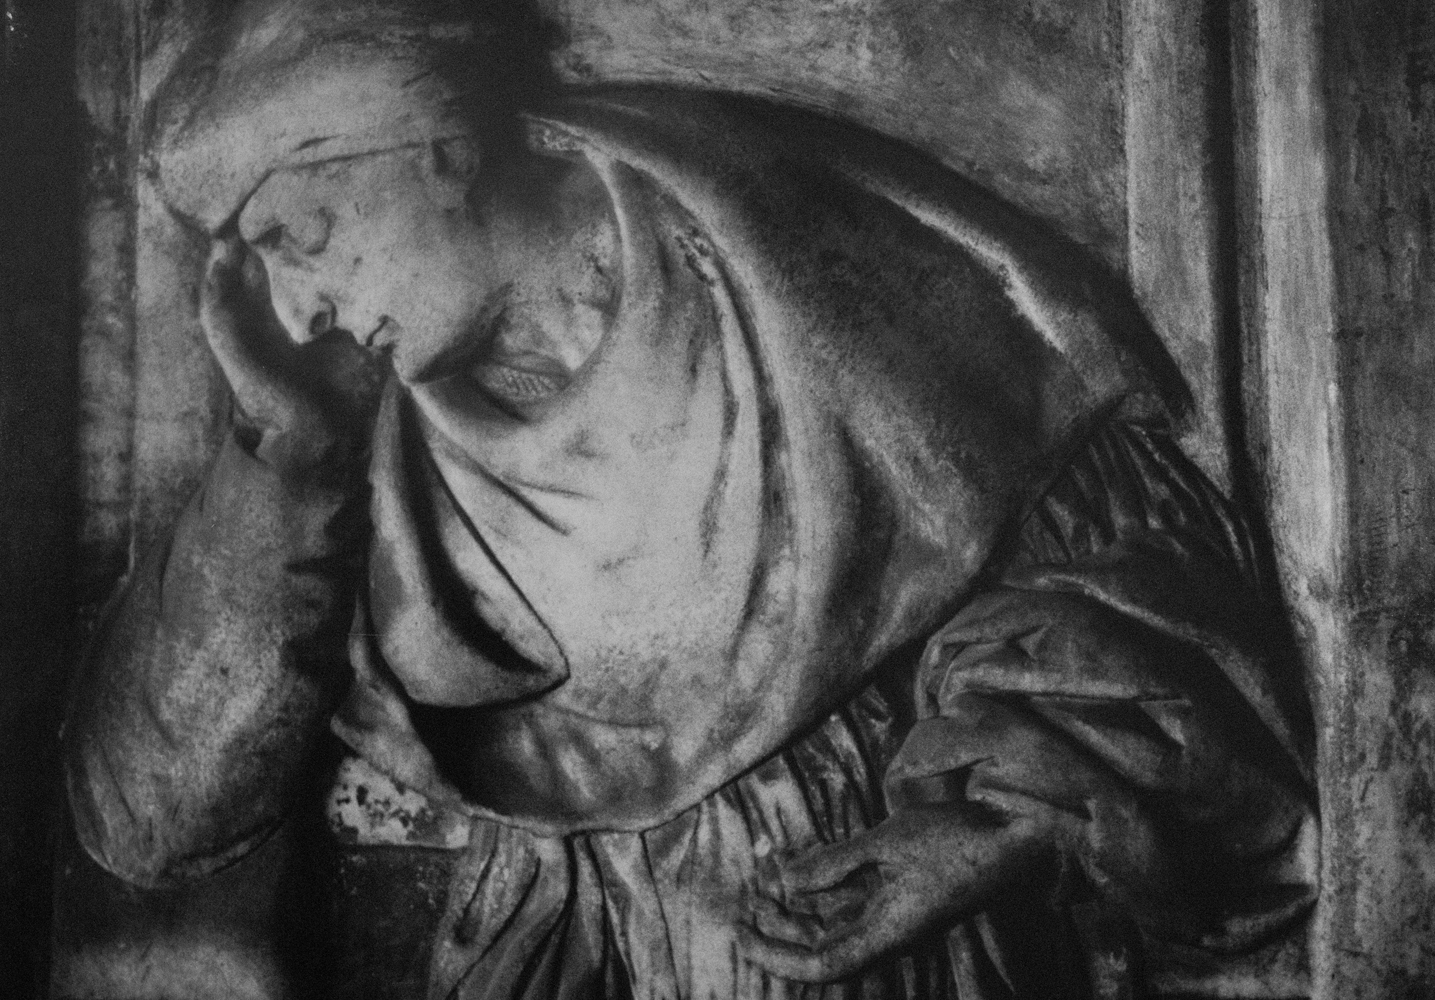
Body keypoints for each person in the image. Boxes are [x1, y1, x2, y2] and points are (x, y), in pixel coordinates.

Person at [63, 1, 1318, 996]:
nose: (298, 314)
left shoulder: (812, 276)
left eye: (303, 237)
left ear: (435, 148)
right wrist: (280, 456)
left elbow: (1170, 655)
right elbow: (147, 824)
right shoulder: (356, 450)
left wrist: (991, 817)